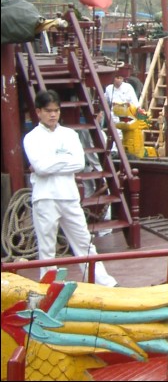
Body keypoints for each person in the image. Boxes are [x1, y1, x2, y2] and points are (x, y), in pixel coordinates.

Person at [23, 90, 118, 286]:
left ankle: (104, 283)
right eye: (49, 111)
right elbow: (41, 167)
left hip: (68, 196)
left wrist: (50, 164)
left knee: (84, 242)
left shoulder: (70, 134)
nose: (53, 115)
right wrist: (61, 161)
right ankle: (48, 286)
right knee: (47, 247)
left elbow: (78, 164)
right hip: (45, 198)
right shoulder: (31, 138)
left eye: (56, 111)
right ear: (38, 111)